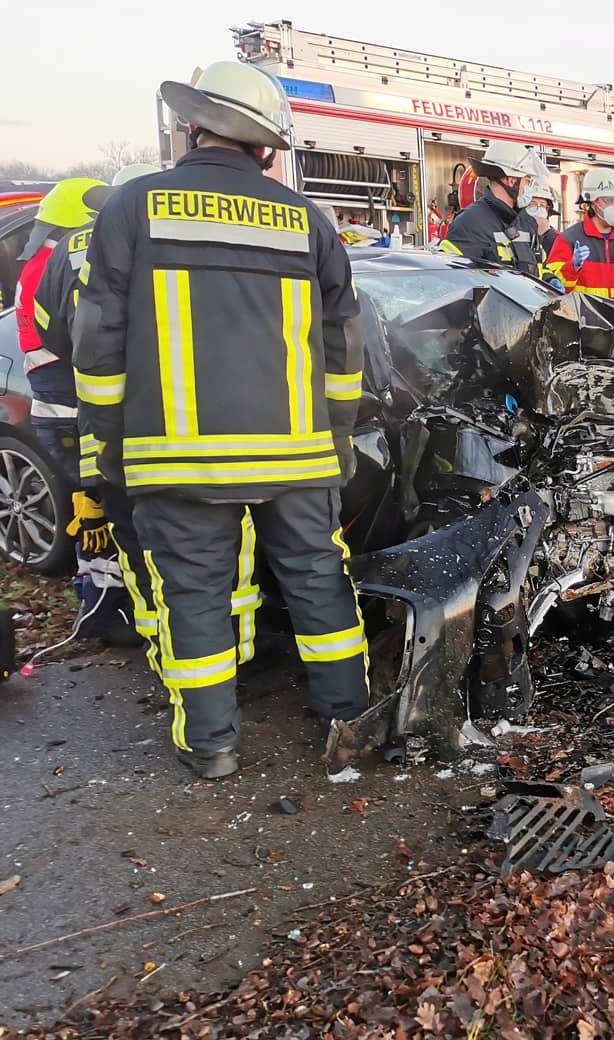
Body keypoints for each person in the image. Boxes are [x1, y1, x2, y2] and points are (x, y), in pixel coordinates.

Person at [72, 60, 370, 780]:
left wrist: (108, 444)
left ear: (193, 126)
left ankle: (213, 749)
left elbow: (96, 342)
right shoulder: (308, 221)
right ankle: (350, 723)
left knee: (195, 598)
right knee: (318, 580)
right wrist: (338, 437)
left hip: (176, 456)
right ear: (266, 146)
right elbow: (342, 343)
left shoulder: (132, 207)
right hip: (297, 456)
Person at [33, 164, 159, 649]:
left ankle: (152, 637)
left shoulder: (72, 246)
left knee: (127, 529)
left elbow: (51, 328)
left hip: (100, 419)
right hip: (170, 415)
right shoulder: (162, 239)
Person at [14, 178, 109, 481]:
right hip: (69, 405)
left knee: (82, 502)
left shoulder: (41, 261)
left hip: (51, 402)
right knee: (95, 499)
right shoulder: (68, 262)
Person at [439, 140, 542, 278]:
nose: (529, 189)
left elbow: (540, 266)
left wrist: (550, 280)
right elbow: (453, 278)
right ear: (512, 181)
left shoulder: (526, 222)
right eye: (527, 181)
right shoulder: (470, 222)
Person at [545, 167, 614, 300]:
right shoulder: (568, 240)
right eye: (609, 200)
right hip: (581, 320)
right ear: (592, 202)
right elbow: (553, 289)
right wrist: (572, 267)